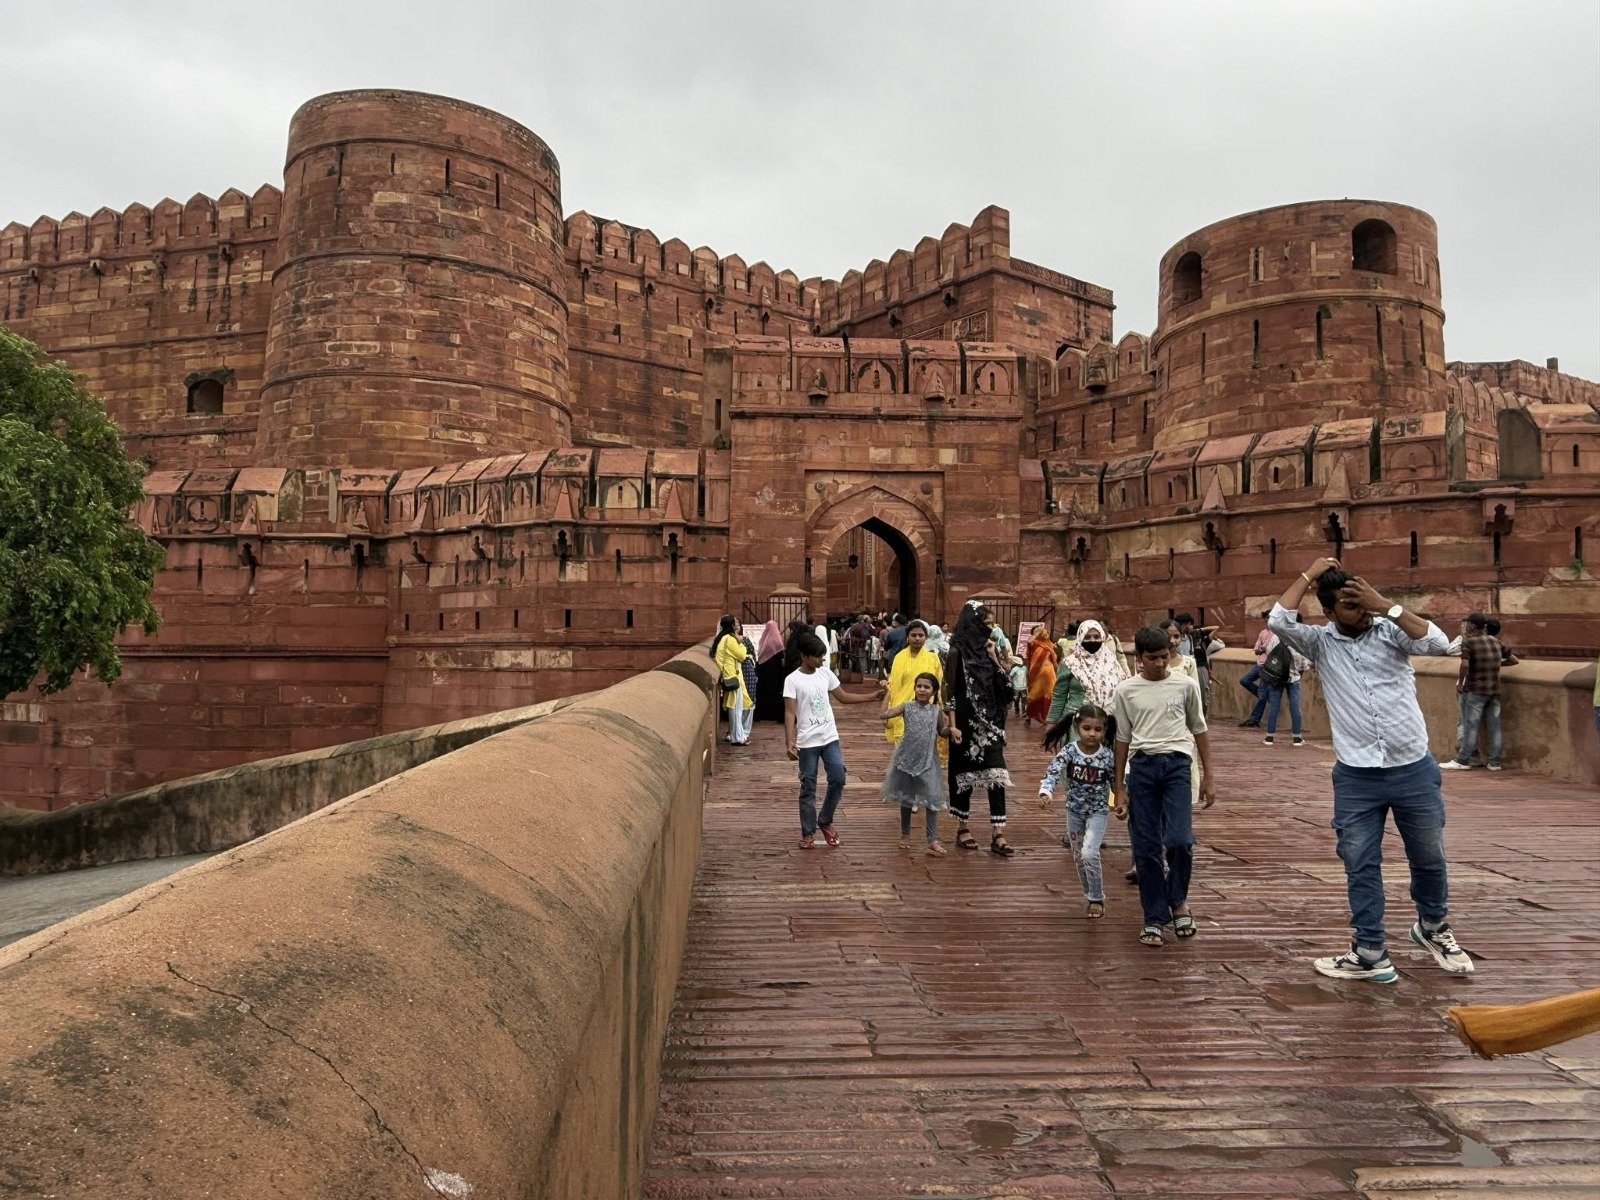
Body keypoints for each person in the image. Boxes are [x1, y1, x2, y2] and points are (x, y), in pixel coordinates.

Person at [1269, 556, 1472, 982]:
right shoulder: (1320, 643)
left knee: (1429, 856)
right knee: (1360, 861)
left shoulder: (1387, 630)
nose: (1361, 614)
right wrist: (1310, 572)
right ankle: (1370, 950)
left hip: (1413, 766)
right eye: (1351, 607)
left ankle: (1432, 927)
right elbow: (1279, 618)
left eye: (1362, 604)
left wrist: (1385, 605)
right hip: (1358, 774)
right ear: (1328, 612)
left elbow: (1438, 644)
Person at [1112, 627, 1214, 947]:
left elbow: (1199, 728)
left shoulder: (1185, 684)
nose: (1160, 663)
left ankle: (1178, 900)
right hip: (1142, 768)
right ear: (1139, 658)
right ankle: (1154, 915)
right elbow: (1122, 739)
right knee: (1146, 846)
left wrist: (1209, 776)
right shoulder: (1126, 690)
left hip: (1177, 767)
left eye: (1164, 657)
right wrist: (1119, 787)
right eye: (1152, 658)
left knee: (1180, 839)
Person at [783, 632, 882, 850]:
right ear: (804, 656)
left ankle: (825, 819)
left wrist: (870, 697)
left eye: (822, 657)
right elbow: (790, 713)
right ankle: (808, 832)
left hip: (829, 737)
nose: (821, 661)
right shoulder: (792, 680)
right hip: (807, 741)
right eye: (817, 657)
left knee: (838, 778)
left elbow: (843, 697)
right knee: (808, 787)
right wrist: (790, 741)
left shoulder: (825, 675)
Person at [947, 603, 1017, 857]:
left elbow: (1007, 690)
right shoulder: (957, 652)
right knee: (963, 777)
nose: (991, 628)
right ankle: (962, 827)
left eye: (992, 623)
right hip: (964, 726)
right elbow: (950, 693)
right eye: (986, 623)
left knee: (996, 776)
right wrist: (952, 725)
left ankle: (998, 833)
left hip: (992, 726)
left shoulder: (989, 652)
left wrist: (995, 659)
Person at [1038, 705, 1115, 918]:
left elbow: (1117, 782)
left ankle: (1097, 898)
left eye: (1098, 729)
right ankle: (1089, 892)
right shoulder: (1070, 751)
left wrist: (1122, 802)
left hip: (1098, 812)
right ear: (1077, 727)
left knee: (1090, 852)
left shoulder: (1108, 755)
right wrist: (1046, 791)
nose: (1092, 734)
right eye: (1087, 728)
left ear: (1104, 730)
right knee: (1079, 857)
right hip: (1074, 812)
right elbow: (1053, 771)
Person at [882, 671, 959, 856]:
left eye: (927, 687)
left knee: (932, 799)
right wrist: (888, 692)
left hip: (928, 760)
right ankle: (905, 834)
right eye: (919, 686)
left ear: (933, 691)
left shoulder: (937, 711)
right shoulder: (907, 707)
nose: (922, 690)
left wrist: (952, 730)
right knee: (907, 799)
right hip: (906, 759)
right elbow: (883, 715)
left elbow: (942, 731)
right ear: (914, 688)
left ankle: (932, 840)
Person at [1442, 613, 1517, 771]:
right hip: (1494, 689)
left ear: (1472, 625)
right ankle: (1494, 762)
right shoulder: (1495, 641)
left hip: (1475, 688)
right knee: (1495, 726)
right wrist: (1494, 665)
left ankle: (1462, 760)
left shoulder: (1469, 642)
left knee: (1471, 725)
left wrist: (1460, 683)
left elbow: (1464, 665)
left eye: (1468, 623)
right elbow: (1513, 660)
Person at [883, 620, 944, 746]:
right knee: (903, 756)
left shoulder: (933, 659)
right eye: (913, 635)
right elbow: (894, 686)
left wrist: (941, 710)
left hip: (926, 710)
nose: (917, 638)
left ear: (926, 637)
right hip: (903, 710)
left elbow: (938, 685)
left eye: (921, 635)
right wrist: (889, 709)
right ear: (907, 637)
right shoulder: (899, 658)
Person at [1259, 630, 1310, 747]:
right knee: (1295, 708)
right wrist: (1297, 674)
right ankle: (1297, 738)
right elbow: (1302, 663)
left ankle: (1269, 737)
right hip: (1293, 678)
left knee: (1274, 707)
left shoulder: (1275, 637)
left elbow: (1269, 652)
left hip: (1276, 678)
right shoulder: (1297, 640)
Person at [713, 614, 754, 745]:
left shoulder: (724, 638)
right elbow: (742, 655)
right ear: (731, 625)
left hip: (731, 675)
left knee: (738, 707)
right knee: (736, 709)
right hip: (733, 676)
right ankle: (738, 737)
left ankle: (739, 735)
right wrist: (741, 642)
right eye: (735, 622)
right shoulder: (730, 639)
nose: (738, 624)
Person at [1238, 617, 1275, 728]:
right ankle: (1266, 697)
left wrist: (1263, 649)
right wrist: (1263, 649)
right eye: (1267, 619)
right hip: (1260, 664)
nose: (1268, 621)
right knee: (1244, 680)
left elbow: (1272, 649)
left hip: (1269, 666)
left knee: (1262, 693)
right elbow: (1257, 650)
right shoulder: (1263, 633)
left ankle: (1254, 719)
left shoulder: (1277, 634)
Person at [753, 619, 788, 722]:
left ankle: (762, 714)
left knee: (763, 692)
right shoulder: (778, 642)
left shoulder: (763, 640)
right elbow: (781, 657)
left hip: (764, 672)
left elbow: (759, 655)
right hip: (775, 673)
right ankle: (772, 714)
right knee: (774, 693)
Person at [1025, 625, 1059, 727]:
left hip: (1047, 673)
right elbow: (1029, 658)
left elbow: (1054, 660)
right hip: (1038, 673)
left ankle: (1045, 717)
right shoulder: (1033, 644)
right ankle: (1031, 716)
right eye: (1040, 631)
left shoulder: (1048, 645)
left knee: (1047, 694)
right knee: (1035, 695)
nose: (1044, 633)